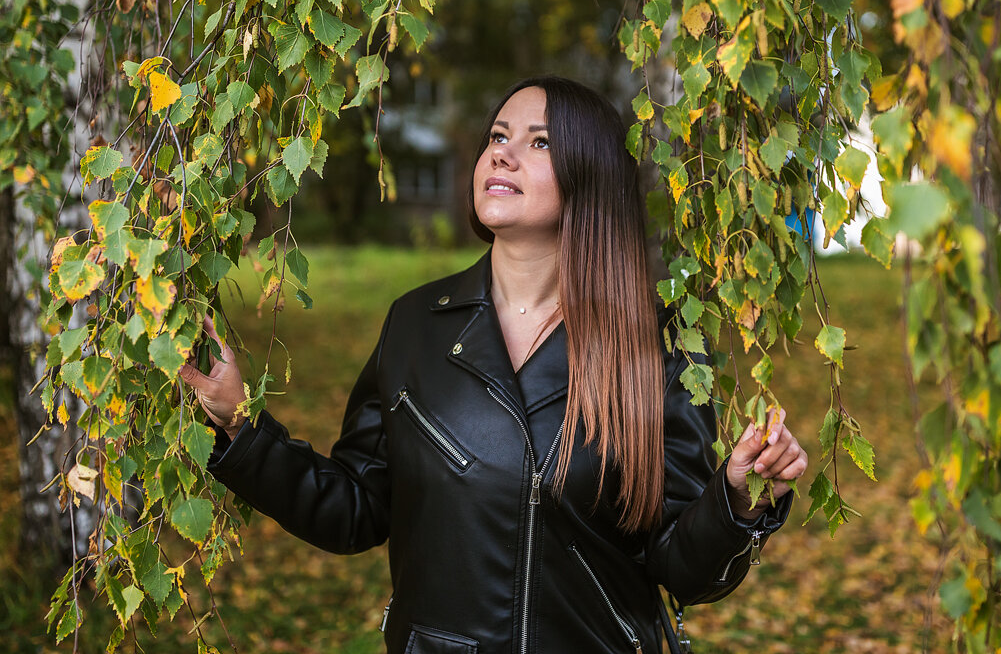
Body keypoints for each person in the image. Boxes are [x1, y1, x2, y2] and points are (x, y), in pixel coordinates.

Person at [182, 75, 807, 654]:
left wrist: (734, 500)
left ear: (591, 176)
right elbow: (356, 509)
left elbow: (682, 569)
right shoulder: (416, 324)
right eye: (497, 137)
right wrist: (240, 425)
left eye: (539, 142)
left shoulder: (662, 344)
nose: (501, 154)